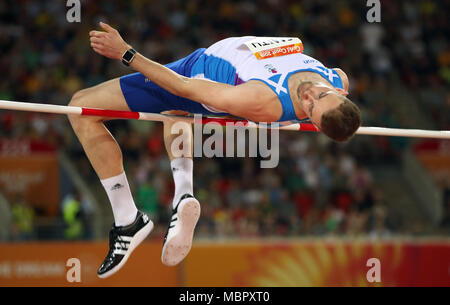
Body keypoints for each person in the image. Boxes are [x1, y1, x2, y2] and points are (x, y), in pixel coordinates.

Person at [68, 22, 361, 278]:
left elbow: (185, 87)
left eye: (308, 107)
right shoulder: (338, 77)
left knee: (81, 107)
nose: (309, 96)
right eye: (320, 95)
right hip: (220, 72)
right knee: (174, 110)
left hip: (201, 75)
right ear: (340, 91)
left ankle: (127, 219)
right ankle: (183, 194)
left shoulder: (266, 100)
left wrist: (126, 53)